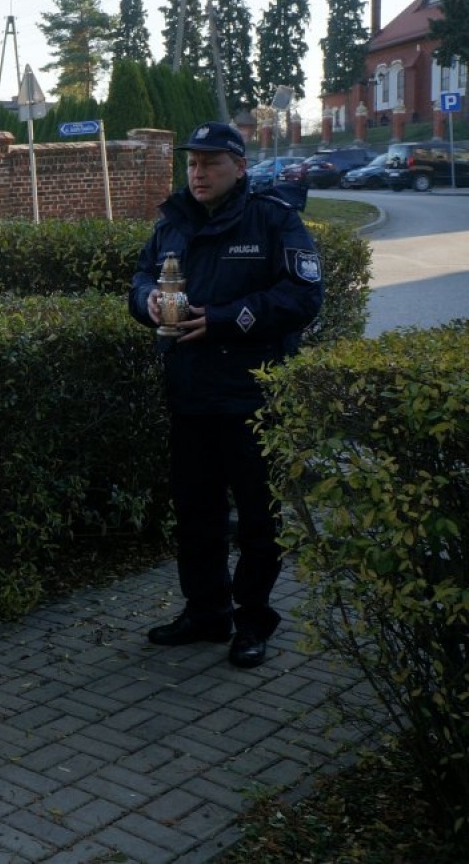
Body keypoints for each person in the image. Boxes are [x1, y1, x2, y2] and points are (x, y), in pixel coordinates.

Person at [129, 122, 324, 669]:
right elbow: (142, 277)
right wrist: (146, 301)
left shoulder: (273, 219)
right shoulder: (173, 224)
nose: (197, 172)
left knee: (259, 520)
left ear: (239, 167)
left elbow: (303, 297)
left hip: (251, 398)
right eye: (193, 162)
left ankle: (253, 620)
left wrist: (221, 321)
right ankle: (206, 612)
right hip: (190, 396)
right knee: (196, 513)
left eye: (211, 163)